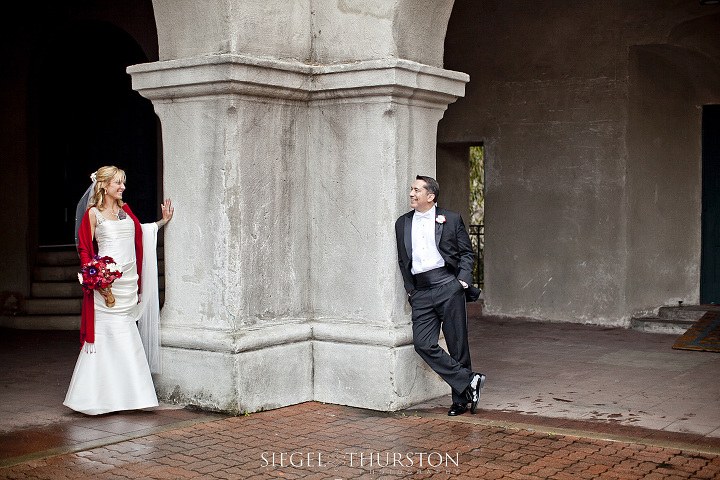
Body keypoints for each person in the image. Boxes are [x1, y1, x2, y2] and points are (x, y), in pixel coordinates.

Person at [64, 166, 174, 415]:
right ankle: (93, 399)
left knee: (126, 333)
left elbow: (140, 232)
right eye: (117, 183)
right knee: (106, 337)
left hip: (127, 284)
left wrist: (162, 222)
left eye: (123, 182)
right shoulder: (93, 214)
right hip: (106, 285)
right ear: (103, 185)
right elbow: (84, 249)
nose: (122, 187)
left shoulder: (125, 211)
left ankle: (133, 397)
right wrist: (96, 276)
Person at [395, 175, 485, 416]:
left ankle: (460, 400)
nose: (412, 194)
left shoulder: (451, 218)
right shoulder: (402, 223)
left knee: (458, 344)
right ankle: (470, 381)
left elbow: (466, 253)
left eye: (417, 190)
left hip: (448, 286)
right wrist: (411, 290)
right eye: (411, 189)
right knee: (423, 344)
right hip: (421, 292)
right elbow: (404, 261)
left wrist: (462, 281)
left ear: (430, 196)